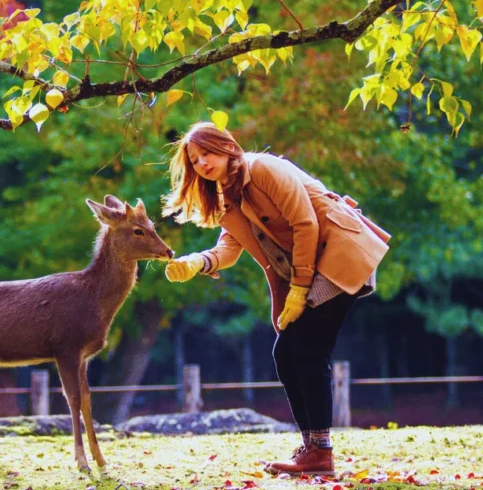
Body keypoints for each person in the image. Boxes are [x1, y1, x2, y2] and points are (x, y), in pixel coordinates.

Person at [162, 121, 391, 477]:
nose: (202, 163)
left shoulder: (262, 169)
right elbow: (230, 246)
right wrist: (199, 262)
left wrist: (299, 289)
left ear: (225, 146)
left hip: (339, 252)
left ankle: (319, 452)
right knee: (287, 352)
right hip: (312, 266)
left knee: (306, 350)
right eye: (194, 160)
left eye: (206, 152)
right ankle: (314, 448)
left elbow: (306, 224)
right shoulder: (228, 195)